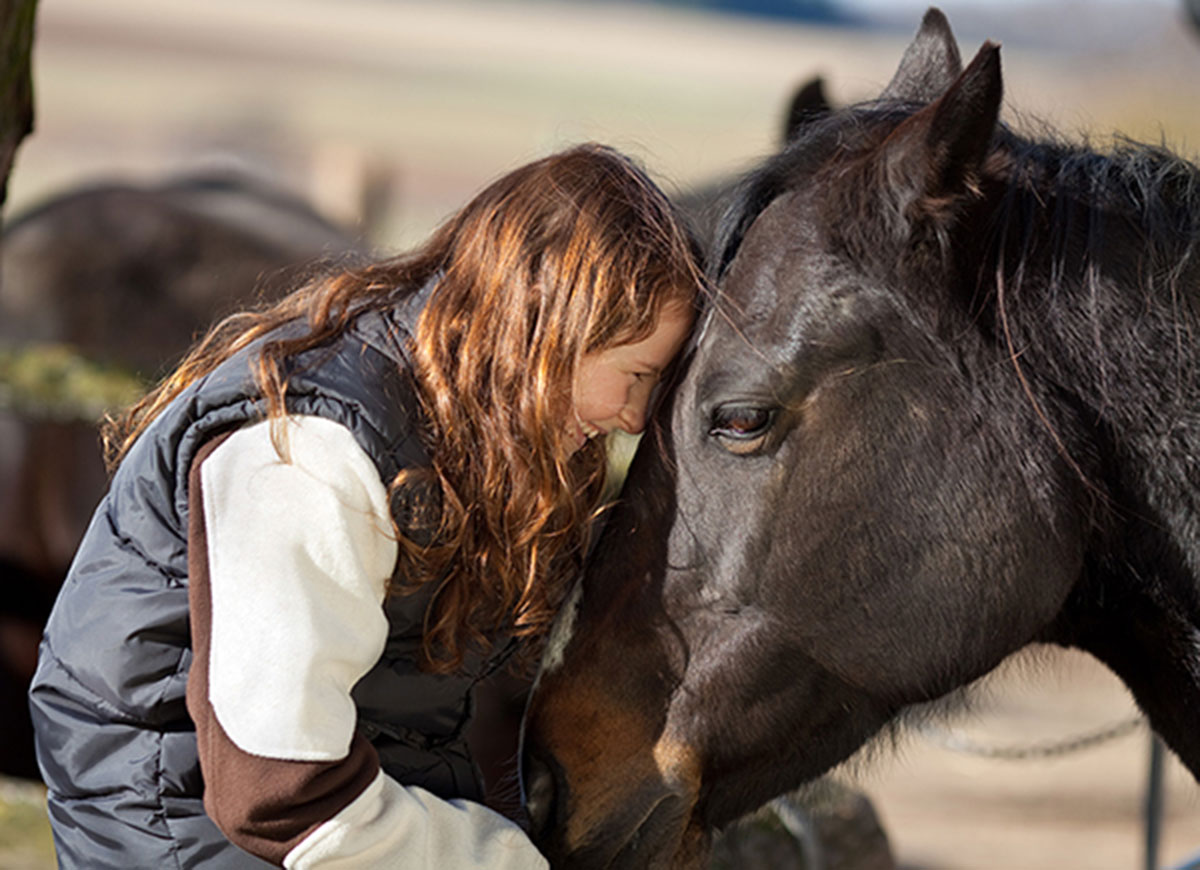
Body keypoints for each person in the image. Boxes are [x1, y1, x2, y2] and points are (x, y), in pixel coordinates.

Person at [28, 143, 702, 869]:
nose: (632, 419)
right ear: (546, 334)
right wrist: (501, 861)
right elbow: (278, 793)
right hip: (186, 836)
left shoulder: (461, 433)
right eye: (634, 376)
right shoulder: (312, 454)